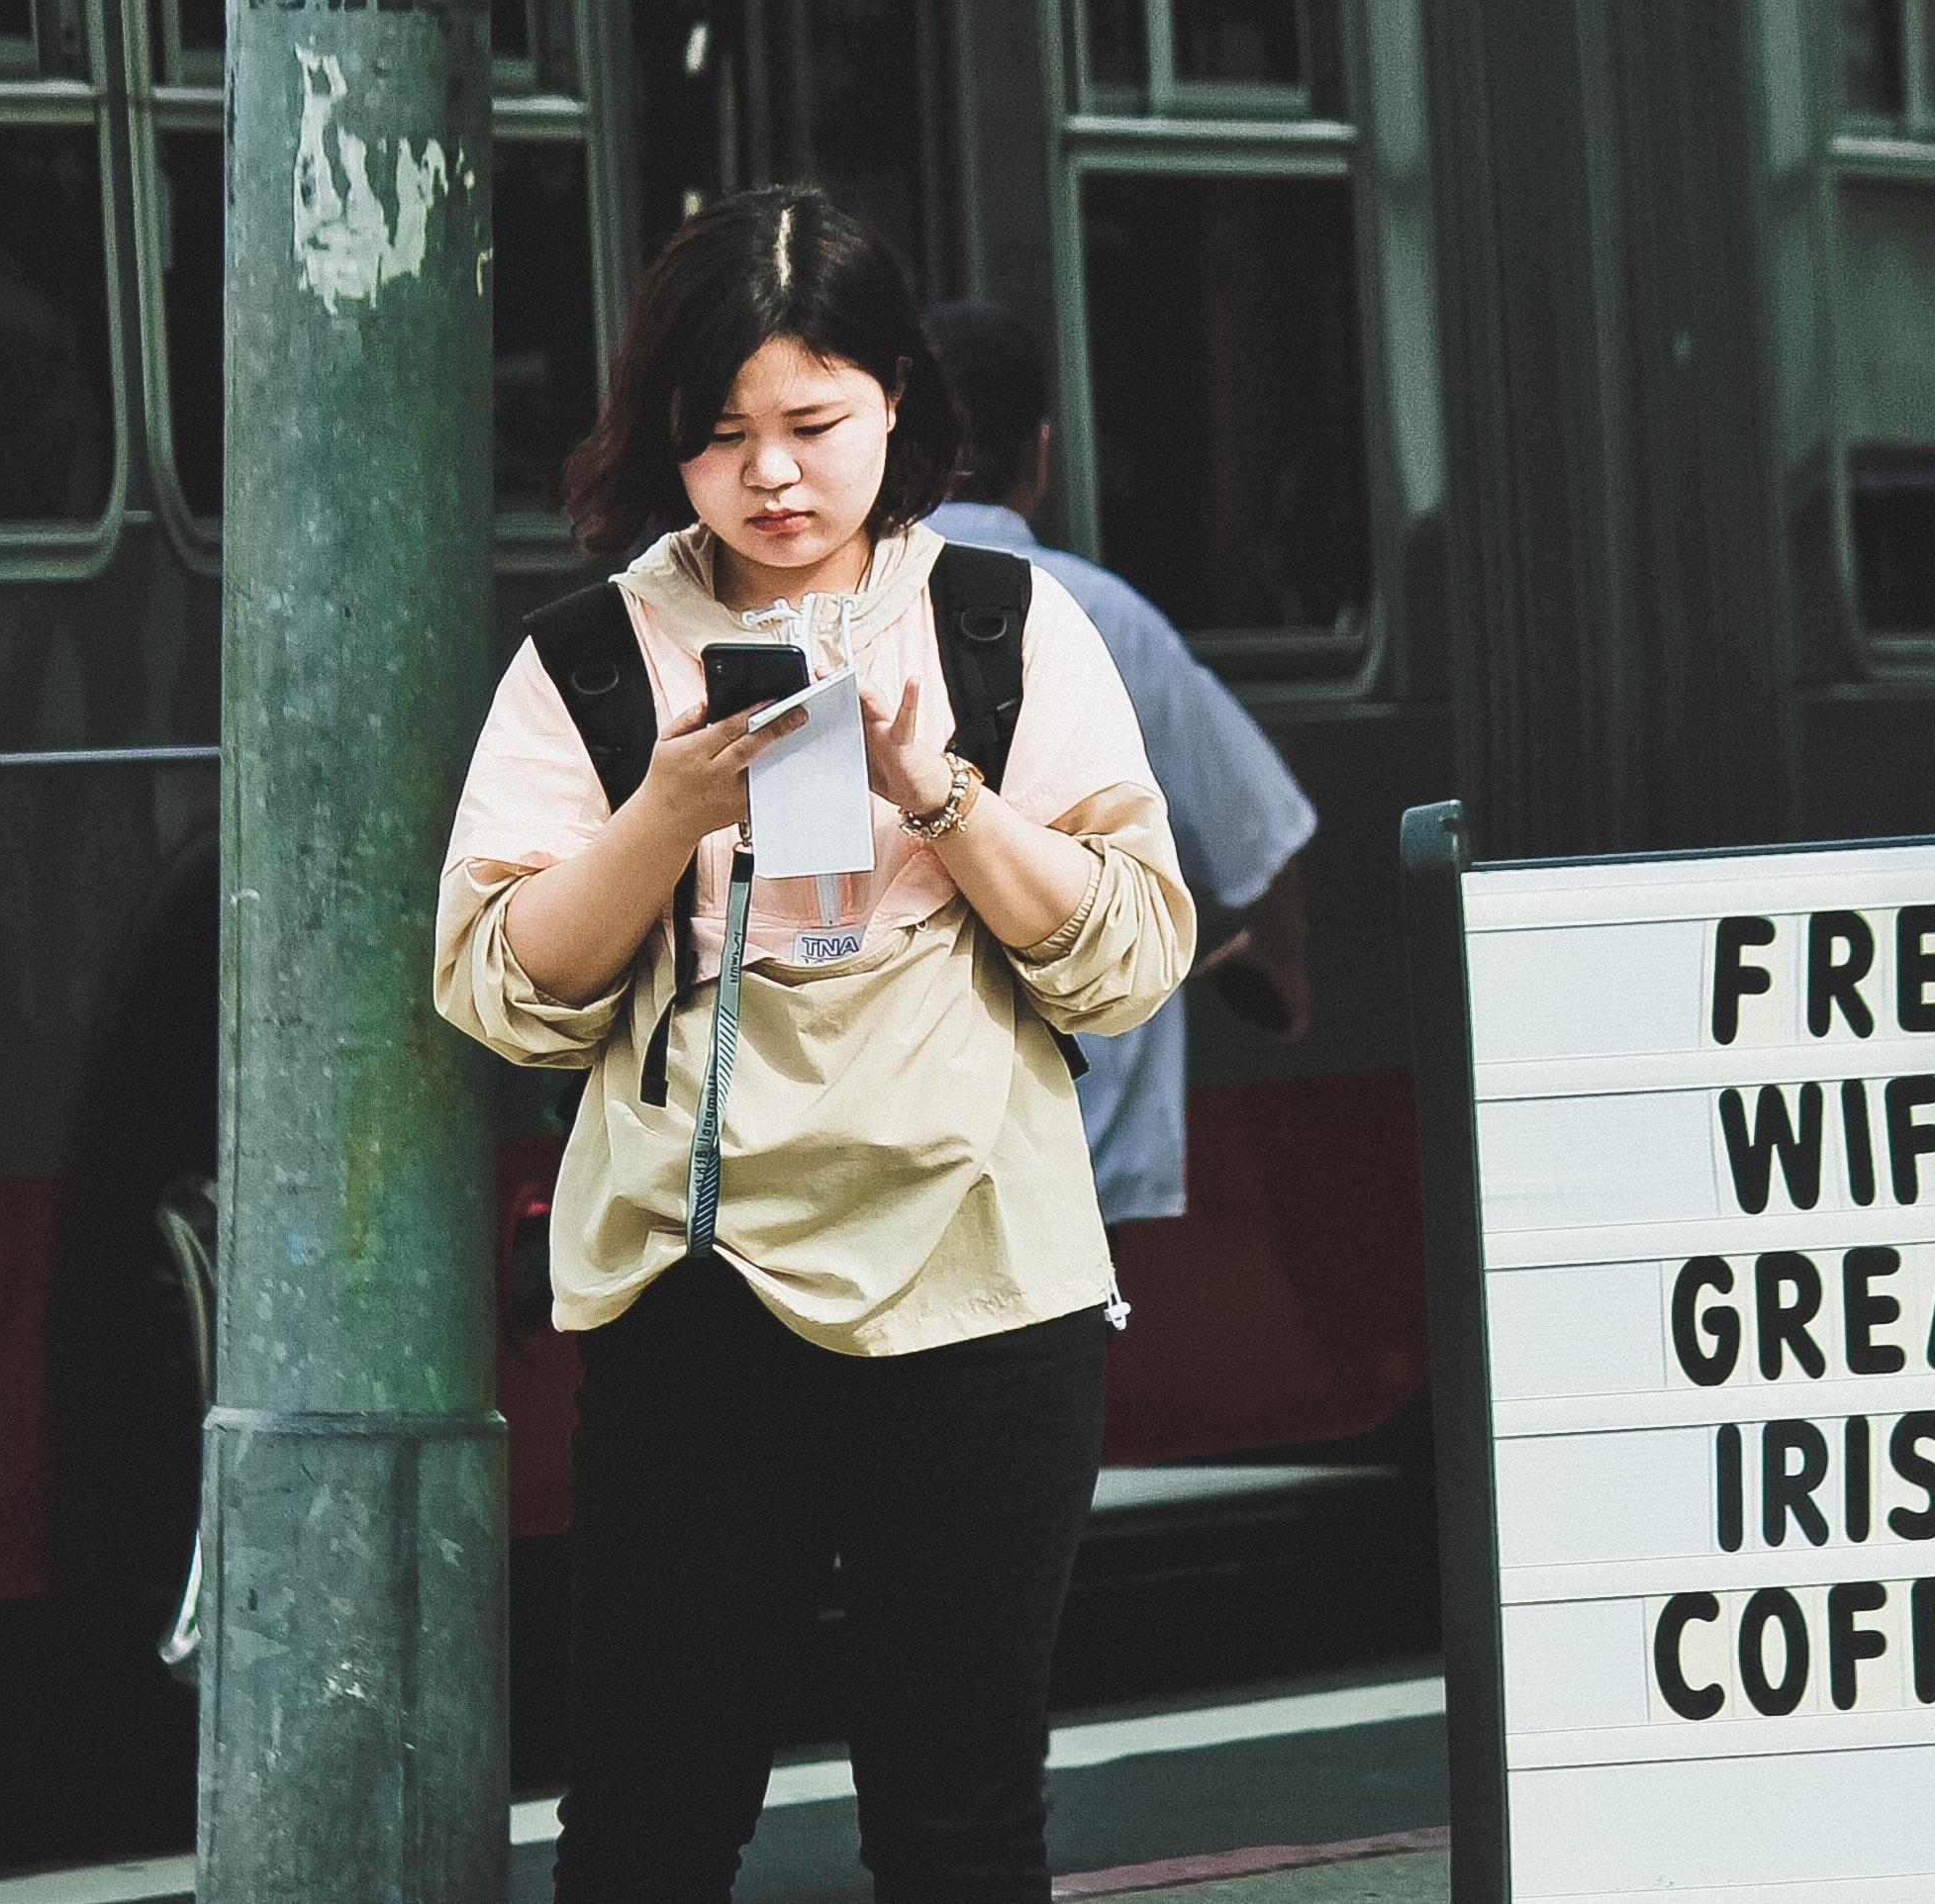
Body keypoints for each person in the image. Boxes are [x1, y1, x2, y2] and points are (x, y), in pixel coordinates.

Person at [433, 189, 1195, 1903]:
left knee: (959, 1824)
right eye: (719, 439)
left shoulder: (1004, 627)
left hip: (986, 1293)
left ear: (901, 403)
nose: (771, 476)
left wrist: (939, 788)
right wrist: (666, 812)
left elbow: (1131, 957)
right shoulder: (588, 658)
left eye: (813, 425)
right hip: (695, 1304)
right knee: (646, 1826)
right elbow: (495, 984)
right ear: (663, 447)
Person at [923, 300, 1317, 1228]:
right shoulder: (1106, 618)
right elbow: (1262, 834)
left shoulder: (835, 619)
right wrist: (1277, 962)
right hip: (1085, 1173)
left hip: (896, 1187)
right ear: (1043, 457)